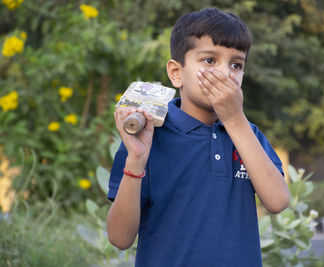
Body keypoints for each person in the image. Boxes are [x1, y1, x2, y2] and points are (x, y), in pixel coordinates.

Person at [106, 7, 290, 267]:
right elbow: (119, 237)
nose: (225, 74)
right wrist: (136, 159)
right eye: (209, 60)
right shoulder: (148, 135)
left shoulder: (249, 135)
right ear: (176, 73)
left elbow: (278, 201)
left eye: (236, 64)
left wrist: (235, 120)